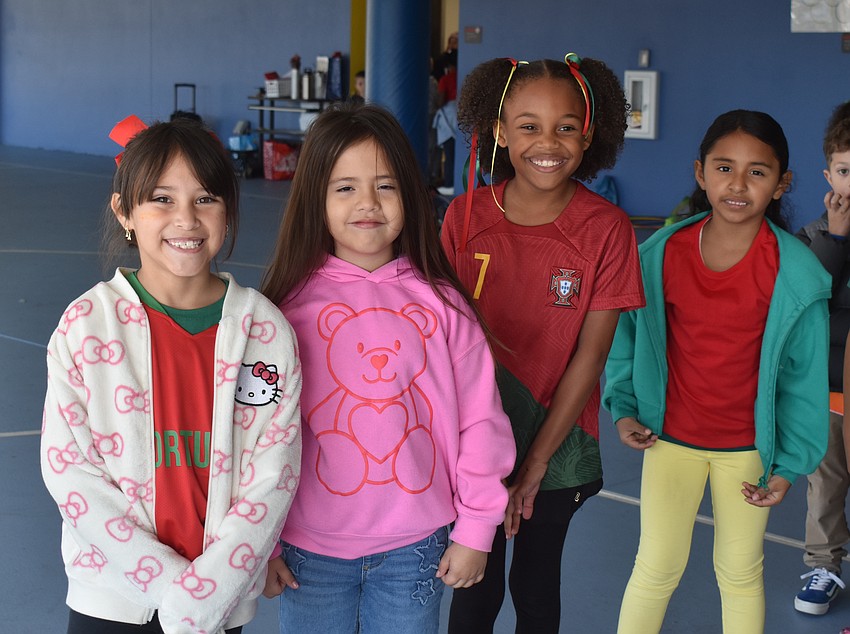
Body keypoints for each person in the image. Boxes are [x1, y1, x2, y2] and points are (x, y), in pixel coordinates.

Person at [259, 102, 515, 634]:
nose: (368, 203)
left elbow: (482, 423)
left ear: (411, 195)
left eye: (386, 185)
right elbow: (256, 437)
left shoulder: (443, 306)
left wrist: (476, 528)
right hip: (309, 551)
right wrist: (259, 541)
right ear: (316, 200)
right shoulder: (284, 312)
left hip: (414, 549)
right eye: (344, 187)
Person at [40, 116, 303, 634]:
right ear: (125, 211)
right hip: (112, 596)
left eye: (205, 199)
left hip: (218, 601)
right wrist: (173, 592)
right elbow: (70, 473)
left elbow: (273, 476)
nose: (186, 218)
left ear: (228, 211)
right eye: (162, 199)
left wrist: (209, 593)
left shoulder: (264, 330)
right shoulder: (87, 324)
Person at [603, 109, 831, 633]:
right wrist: (624, 409)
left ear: (781, 184)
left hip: (750, 452)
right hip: (669, 441)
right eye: (724, 167)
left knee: (740, 573)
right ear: (700, 173)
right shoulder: (660, 255)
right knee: (655, 568)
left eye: (758, 171)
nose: (738, 183)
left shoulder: (796, 276)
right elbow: (626, 338)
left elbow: (802, 381)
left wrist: (787, 466)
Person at [441, 54, 644, 633]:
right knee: (471, 589)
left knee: (534, 586)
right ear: (499, 132)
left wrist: (533, 464)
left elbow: (591, 355)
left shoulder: (607, 229)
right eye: (527, 125)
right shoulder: (464, 215)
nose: (546, 142)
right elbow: (442, 338)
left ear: (590, 134)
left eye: (565, 126)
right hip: (471, 444)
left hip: (557, 448)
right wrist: (479, 460)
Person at [794, 100, 850, 616]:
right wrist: (837, 237)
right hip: (828, 393)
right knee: (825, 486)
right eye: (846, 170)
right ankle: (823, 564)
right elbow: (809, 298)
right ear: (828, 173)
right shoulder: (812, 237)